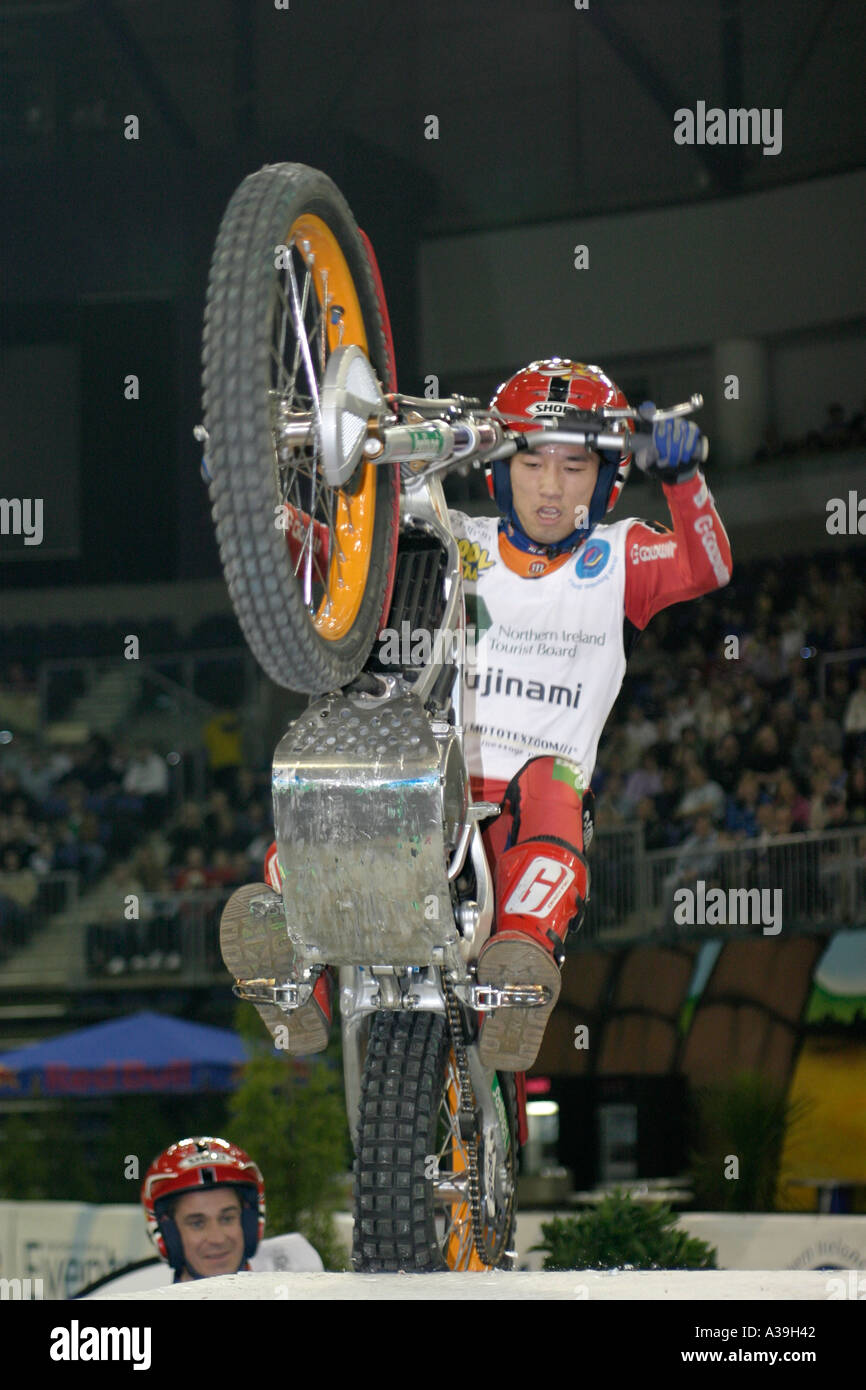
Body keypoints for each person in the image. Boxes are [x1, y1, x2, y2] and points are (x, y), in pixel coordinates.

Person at [222, 359, 732, 1069]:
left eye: (576, 466)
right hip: (423, 788)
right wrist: (257, 506)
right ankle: (288, 973)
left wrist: (683, 480)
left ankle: (519, 969)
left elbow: (707, 567)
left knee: (551, 785)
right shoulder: (450, 538)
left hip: (531, 803)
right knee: (341, 780)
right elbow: (334, 558)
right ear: (500, 466)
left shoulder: (622, 555)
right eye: (533, 462)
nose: (552, 488)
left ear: (607, 480)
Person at [139, 1136, 322, 1285]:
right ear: (167, 1235)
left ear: (249, 1222)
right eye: (197, 1223)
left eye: (227, 1218)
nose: (217, 1239)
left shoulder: (300, 1280)